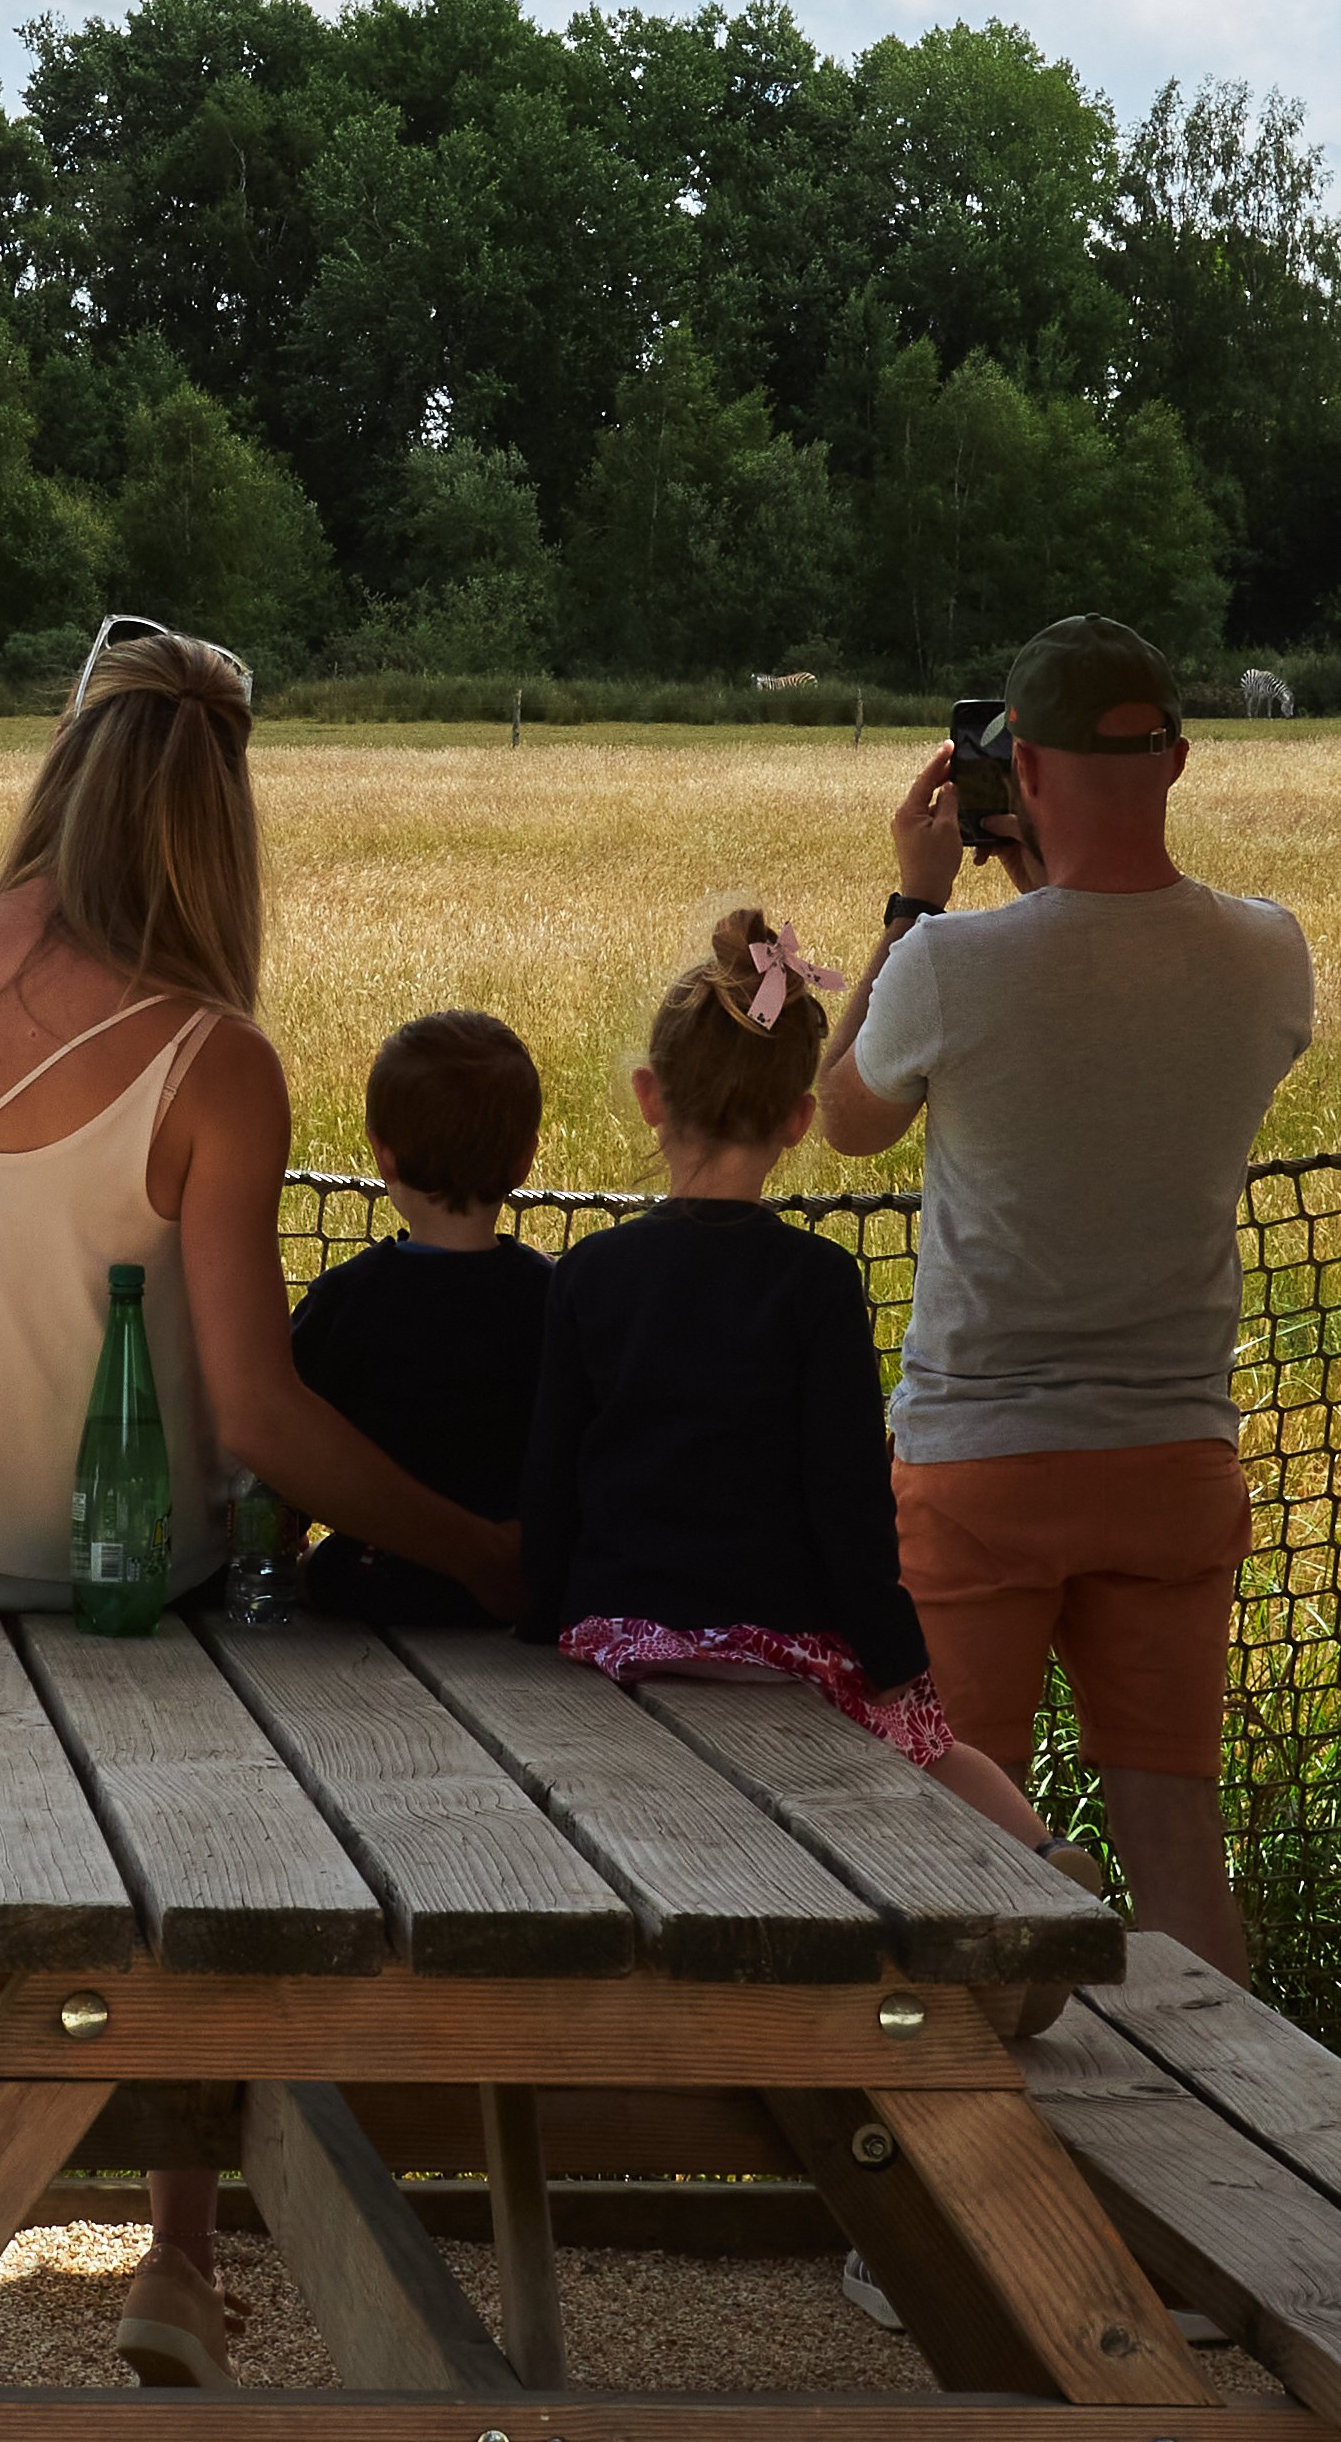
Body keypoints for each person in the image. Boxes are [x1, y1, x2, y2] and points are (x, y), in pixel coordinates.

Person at [0, 614, 523, 2394]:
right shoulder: (211, 1061)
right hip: (103, 1586)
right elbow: (258, 1415)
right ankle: (178, 2259)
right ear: (220, 827)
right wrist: (489, 1547)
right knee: (201, 1907)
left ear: (60, 773)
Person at [815, 617, 1315, 1975]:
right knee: (1176, 1847)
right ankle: (1228, 2154)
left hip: (981, 1460)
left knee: (950, 1838)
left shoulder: (950, 966)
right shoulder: (1268, 958)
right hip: (1171, 1459)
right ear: (1179, 759)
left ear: (1015, 771)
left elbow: (844, 1117)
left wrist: (913, 901)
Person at [521, 907, 1056, 1856]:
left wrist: (539, 1632)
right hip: (785, 1654)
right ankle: (1054, 1875)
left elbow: (552, 1486)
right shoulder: (815, 1283)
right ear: (799, 1120)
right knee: (944, 1755)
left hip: (617, 1648)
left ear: (651, 1095)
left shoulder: (587, 1276)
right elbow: (848, 1501)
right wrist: (894, 1664)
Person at [294, 1011, 553, 1629]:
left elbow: (287, 1452)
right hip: (518, 1589)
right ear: (524, 1161)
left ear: (383, 1153)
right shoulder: (556, 1297)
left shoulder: (344, 1300)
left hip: (367, 1583)